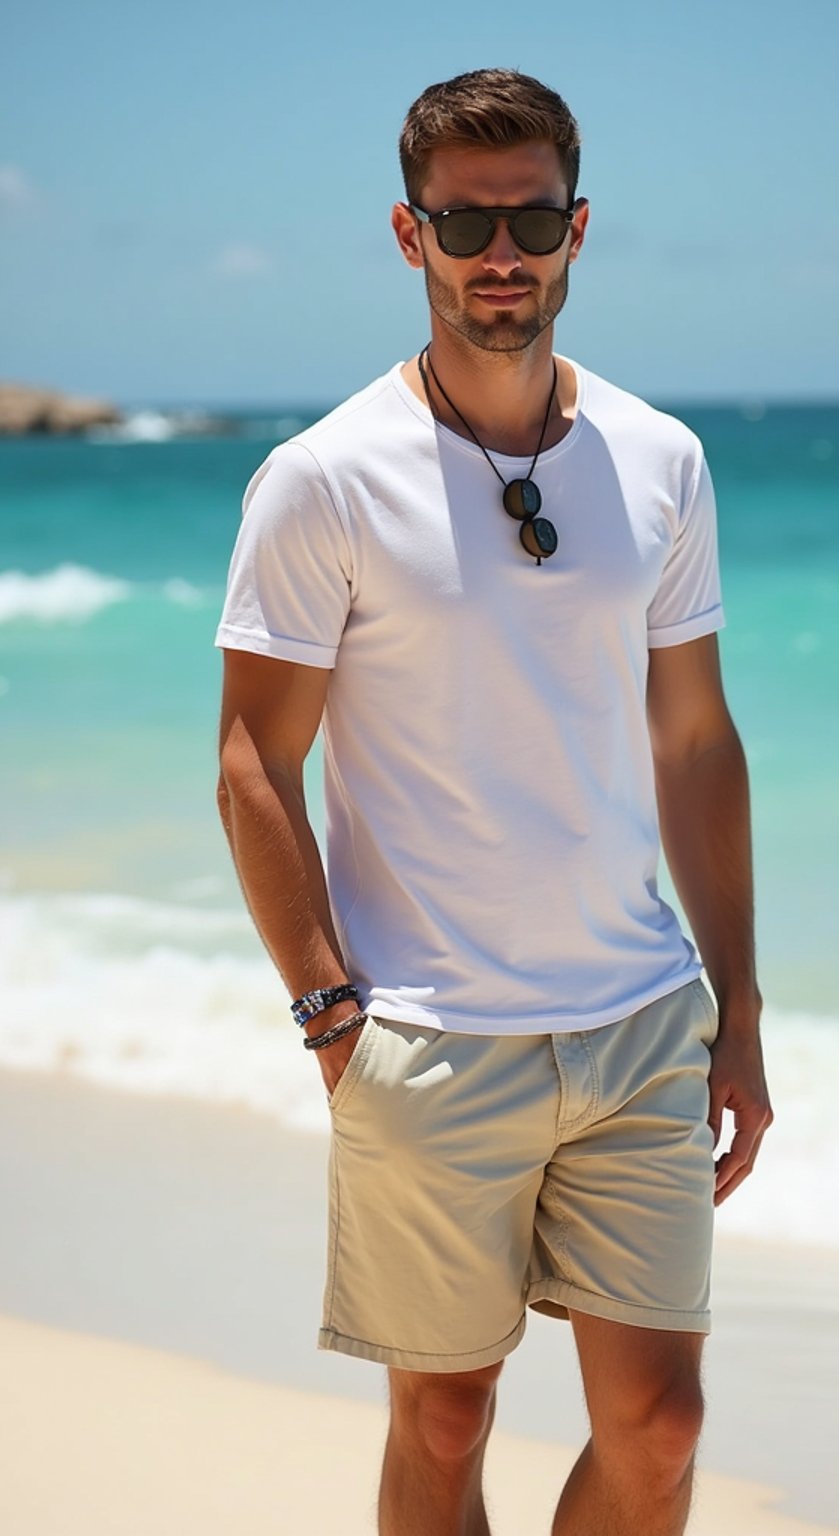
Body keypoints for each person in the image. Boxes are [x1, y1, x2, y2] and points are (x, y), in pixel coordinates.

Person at [216, 66, 772, 1536]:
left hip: (641, 1019)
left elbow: (698, 741)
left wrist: (745, 1012)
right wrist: (334, 1017)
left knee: (660, 1430)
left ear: (578, 229)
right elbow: (253, 766)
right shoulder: (322, 479)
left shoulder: (661, 459)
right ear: (412, 239)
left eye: (531, 218)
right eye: (467, 225)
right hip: (424, 1029)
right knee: (446, 1418)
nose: (501, 253)